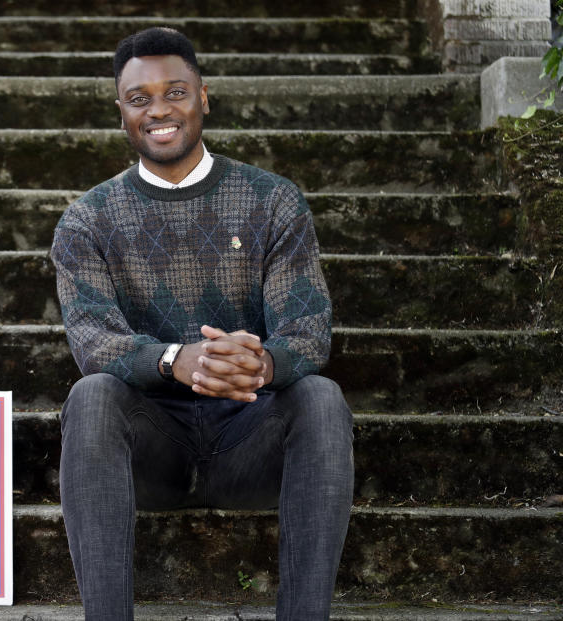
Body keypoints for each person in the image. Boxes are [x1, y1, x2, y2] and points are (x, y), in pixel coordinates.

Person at [50, 27, 354, 620]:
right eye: (139, 98)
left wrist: (261, 363)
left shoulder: (272, 200)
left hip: (250, 437)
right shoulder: (86, 220)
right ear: (121, 111)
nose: (159, 109)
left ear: (204, 97)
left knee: (321, 397)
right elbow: (93, 341)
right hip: (151, 450)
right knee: (91, 396)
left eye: (176, 92)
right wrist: (174, 360)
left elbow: (309, 330)